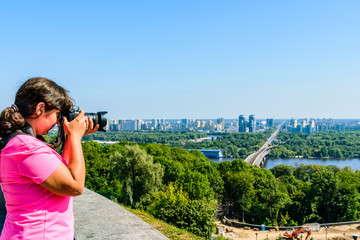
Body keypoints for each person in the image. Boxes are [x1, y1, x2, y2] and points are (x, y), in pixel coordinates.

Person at [0, 77, 98, 239]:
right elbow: (74, 186)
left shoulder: (19, 143)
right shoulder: (27, 148)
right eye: (57, 114)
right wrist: (74, 137)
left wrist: (70, 137)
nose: (58, 122)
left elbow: (63, 172)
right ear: (40, 108)